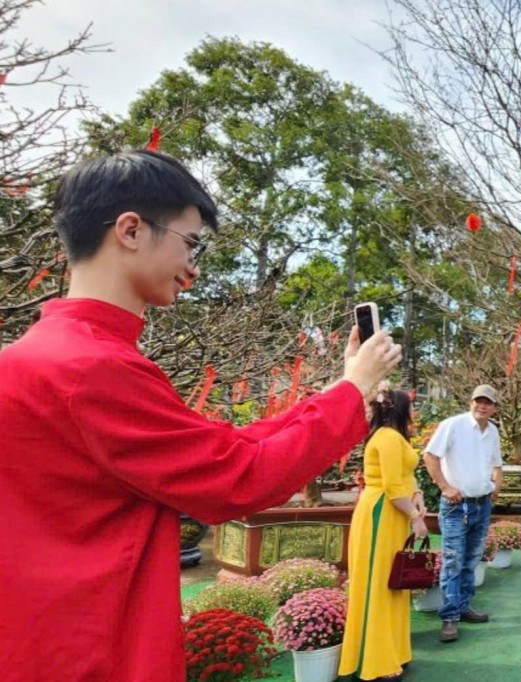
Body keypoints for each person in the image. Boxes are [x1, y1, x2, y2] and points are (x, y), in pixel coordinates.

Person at [0, 150, 402, 682]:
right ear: (130, 230)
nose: (194, 265)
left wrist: (339, 390)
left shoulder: (39, 355)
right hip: (95, 645)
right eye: (190, 242)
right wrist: (353, 392)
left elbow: (218, 448)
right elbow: (237, 478)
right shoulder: (94, 367)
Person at [340, 389, 427, 681]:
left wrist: (416, 495)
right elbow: (391, 488)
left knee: (391, 583)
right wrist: (417, 518)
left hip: (392, 514)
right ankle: (375, 661)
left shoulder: (394, 437)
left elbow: (405, 476)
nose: (414, 412)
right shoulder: (388, 438)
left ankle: (392, 651)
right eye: (411, 407)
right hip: (381, 514)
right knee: (378, 583)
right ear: (400, 409)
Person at [422, 384, 504, 643]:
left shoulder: (492, 431)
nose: (482, 405)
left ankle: (463, 606)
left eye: (487, 402)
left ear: (494, 407)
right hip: (457, 506)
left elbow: (497, 464)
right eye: (478, 401)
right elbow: (430, 456)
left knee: (472, 558)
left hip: (482, 504)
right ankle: (449, 617)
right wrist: (445, 486)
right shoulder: (452, 425)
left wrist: (495, 488)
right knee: (453, 560)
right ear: (470, 402)